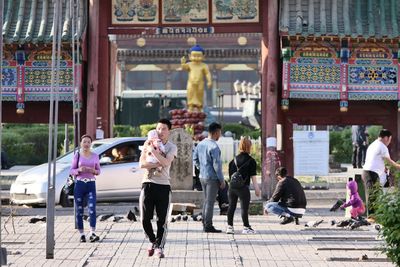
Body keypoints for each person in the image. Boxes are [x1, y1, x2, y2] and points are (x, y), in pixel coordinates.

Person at [139, 118, 177, 259]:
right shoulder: (147, 143)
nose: (160, 131)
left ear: (169, 131)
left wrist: (153, 153)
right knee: (144, 219)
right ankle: (152, 241)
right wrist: (157, 162)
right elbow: (142, 164)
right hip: (148, 183)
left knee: (162, 220)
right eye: (158, 128)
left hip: (163, 186)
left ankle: (159, 247)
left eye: (164, 129)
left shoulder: (172, 147)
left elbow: (167, 162)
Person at [193, 122, 225, 233]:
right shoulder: (214, 147)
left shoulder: (200, 144)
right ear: (216, 132)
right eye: (220, 133)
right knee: (210, 202)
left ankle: (205, 223)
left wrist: (201, 168)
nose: (220, 136)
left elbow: (195, 159)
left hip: (202, 176)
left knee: (206, 201)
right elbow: (217, 166)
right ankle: (208, 225)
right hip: (212, 178)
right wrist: (222, 180)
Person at [69, 134, 101, 243]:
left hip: (91, 184)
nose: (86, 144)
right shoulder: (77, 155)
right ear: (81, 144)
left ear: (91, 144)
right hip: (80, 185)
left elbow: (98, 171)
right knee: (79, 211)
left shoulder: (95, 156)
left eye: (88, 142)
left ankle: (92, 233)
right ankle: (82, 234)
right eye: (84, 142)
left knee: (92, 209)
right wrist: (79, 169)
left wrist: (93, 171)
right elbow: (72, 170)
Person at [226, 137, 261, 234]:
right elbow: (253, 177)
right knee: (244, 208)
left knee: (231, 206)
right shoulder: (251, 161)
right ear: (249, 147)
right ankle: (246, 227)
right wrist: (257, 189)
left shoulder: (233, 161)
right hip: (243, 188)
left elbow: (230, 176)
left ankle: (229, 227)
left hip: (232, 187)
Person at [362, 129, 400, 216]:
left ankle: (373, 216)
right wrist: (398, 166)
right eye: (390, 139)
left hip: (368, 172)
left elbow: (376, 159)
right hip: (370, 173)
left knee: (374, 194)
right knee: (372, 195)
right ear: (386, 138)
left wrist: (383, 167)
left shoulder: (373, 144)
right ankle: (371, 217)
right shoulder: (382, 146)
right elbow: (389, 161)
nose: (389, 142)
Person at [181, 44, 212, 112]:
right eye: (194, 56)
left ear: (203, 56)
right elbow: (184, 68)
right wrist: (183, 63)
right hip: (191, 83)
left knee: (199, 94)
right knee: (190, 94)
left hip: (200, 83)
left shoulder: (204, 65)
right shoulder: (189, 64)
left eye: (198, 56)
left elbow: (207, 73)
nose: (196, 57)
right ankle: (191, 106)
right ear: (190, 56)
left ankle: (200, 107)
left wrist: (209, 81)